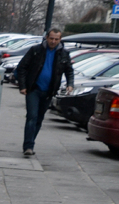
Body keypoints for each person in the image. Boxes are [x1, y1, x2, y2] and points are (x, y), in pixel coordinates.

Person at [16, 28, 75, 156]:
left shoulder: (63, 53)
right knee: (32, 116)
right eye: (51, 38)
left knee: (39, 118)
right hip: (34, 89)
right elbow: (22, 67)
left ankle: (31, 141)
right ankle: (28, 146)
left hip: (49, 91)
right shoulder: (36, 50)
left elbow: (69, 70)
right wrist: (23, 86)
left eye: (56, 39)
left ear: (60, 40)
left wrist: (70, 84)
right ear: (46, 38)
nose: (53, 41)